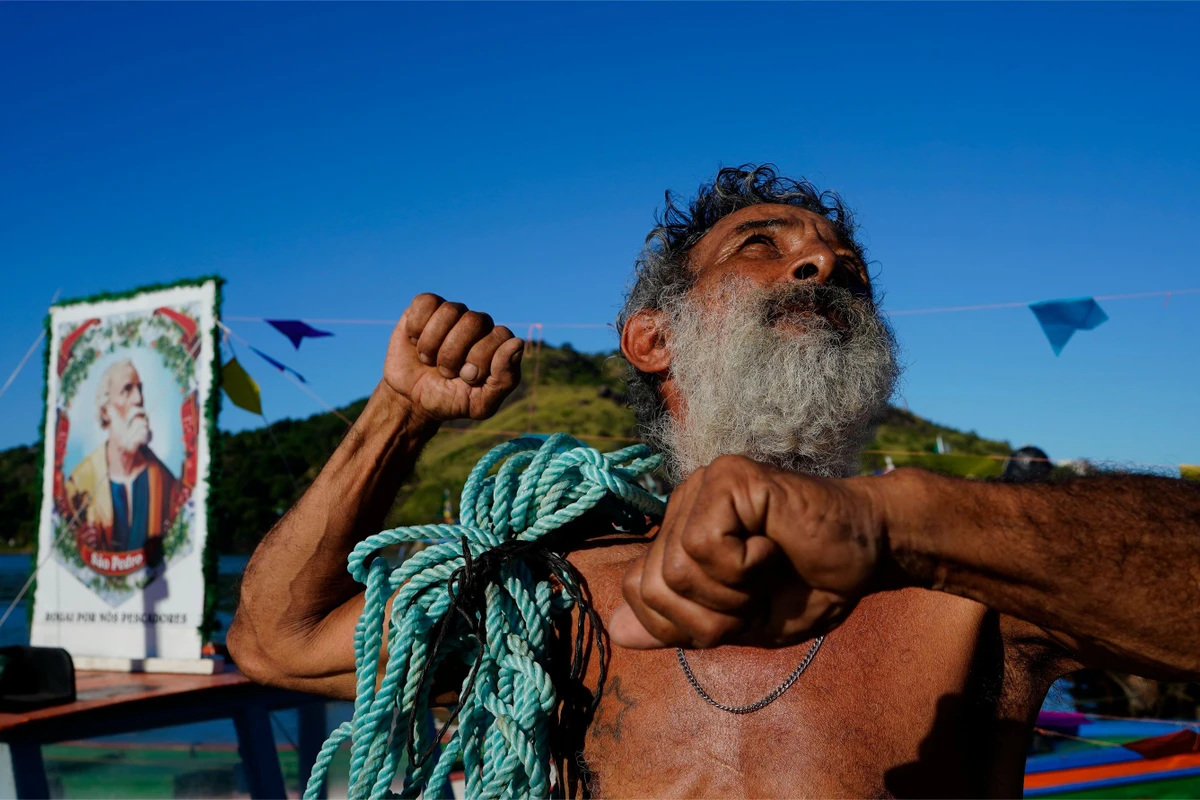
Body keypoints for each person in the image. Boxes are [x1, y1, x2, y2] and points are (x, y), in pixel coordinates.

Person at [228, 165, 1200, 797]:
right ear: (654, 338)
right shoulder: (555, 596)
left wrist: (893, 522)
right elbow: (275, 638)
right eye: (761, 245)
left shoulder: (966, 581)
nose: (827, 260)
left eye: (845, 265)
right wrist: (399, 410)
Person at [66, 358, 177, 554]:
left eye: (140, 389)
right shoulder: (79, 482)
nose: (138, 399)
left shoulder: (165, 479)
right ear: (105, 411)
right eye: (127, 390)